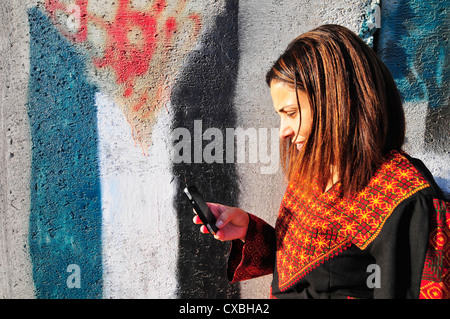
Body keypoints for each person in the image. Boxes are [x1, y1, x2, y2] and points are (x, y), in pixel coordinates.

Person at [193, 24, 449, 299]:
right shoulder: (312, 173)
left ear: (336, 103)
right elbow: (312, 268)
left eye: (291, 113)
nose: (284, 131)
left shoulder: (407, 202)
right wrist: (249, 231)